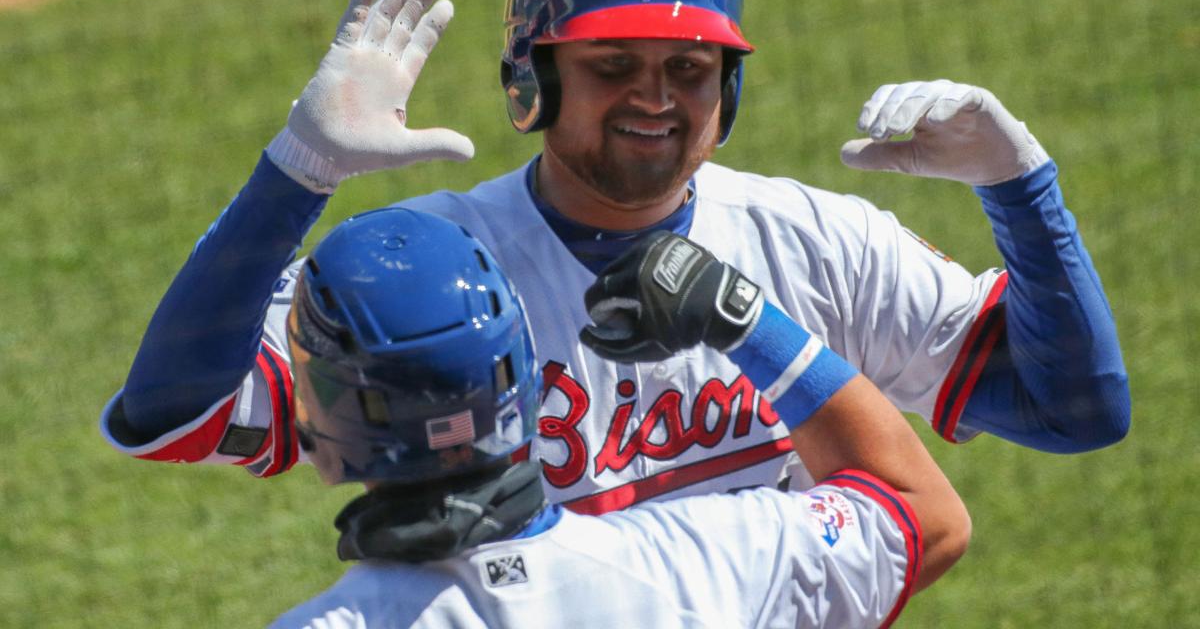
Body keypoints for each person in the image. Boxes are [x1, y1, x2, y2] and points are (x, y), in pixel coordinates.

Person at [101, 0, 1129, 511]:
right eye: (613, 63)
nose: (656, 95)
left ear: (728, 91)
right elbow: (174, 418)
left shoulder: (817, 241)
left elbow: (1073, 408)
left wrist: (1020, 190)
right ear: (532, 78)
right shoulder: (429, 268)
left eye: (691, 65)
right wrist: (297, 173)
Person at [265, 206, 970, 628]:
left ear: (324, 420)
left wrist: (295, 169)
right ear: (519, 375)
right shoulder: (708, 562)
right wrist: (748, 322)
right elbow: (920, 513)